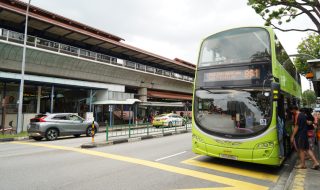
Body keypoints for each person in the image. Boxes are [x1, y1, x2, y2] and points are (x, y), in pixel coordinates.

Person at [290, 105, 319, 170]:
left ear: (294, 109)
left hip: (300, 135)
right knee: (307, 149)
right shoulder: (303, 115)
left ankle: (302, 164)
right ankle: (316, 162)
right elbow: (307, 123)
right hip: (305, 134)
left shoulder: (298, 115)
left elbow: (296, 127)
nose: (292, 112)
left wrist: (292, 136)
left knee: (301, 150)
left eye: (292, 111)